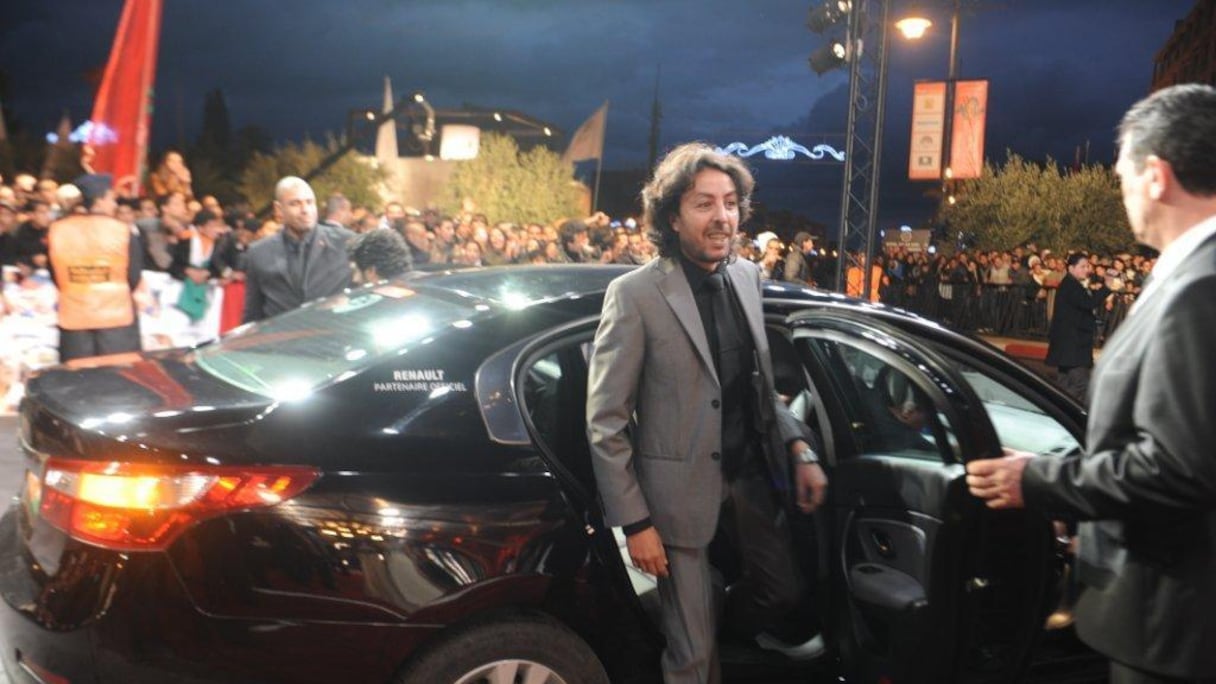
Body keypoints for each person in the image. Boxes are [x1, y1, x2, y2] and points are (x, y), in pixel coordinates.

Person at [966, 84, 1216, 683]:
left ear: (1156, 175)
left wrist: (1042, 481)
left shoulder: (1199, 287)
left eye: (1121, 172)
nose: (1120, 187)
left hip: (1173, 628)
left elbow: (1181, 470)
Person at [586, 142, 828, 684]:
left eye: (730, 202)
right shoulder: (635, 295)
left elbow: (760, 390)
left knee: (782, 592)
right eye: (703, 204)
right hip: (674, 500)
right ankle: (690, 630)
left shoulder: (746, 278)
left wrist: (799, 446)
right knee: (693, 661)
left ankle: (698, 621)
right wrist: (636, 523)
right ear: (672, 217)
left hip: (748, 480)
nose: (722, 216)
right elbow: (606, 421)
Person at [46, 174, 142, 361]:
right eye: (111, 198)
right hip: (116, 320)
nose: (114, 205)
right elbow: (133, 277)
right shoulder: (122, 231)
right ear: (99, 200)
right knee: (115, 380)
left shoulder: (58, 230)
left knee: (77, 381)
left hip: (75, 320)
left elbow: (55, 274)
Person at [242, 176, 355, 322]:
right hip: (282, 340)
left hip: (334, 335)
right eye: (295, 204)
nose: (305, 210)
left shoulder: (345, 242)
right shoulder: (258, 252)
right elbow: (253, 312)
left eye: (309, 202)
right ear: (278, 209)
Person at [1044, 252, 1101, 401]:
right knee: (1081, 386)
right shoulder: (1070, 286)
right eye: (1082, 266)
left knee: (1065, 384)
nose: (1086, 270)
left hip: (1070, 347)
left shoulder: (1072, 284)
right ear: (1071, 268)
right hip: (1073, 347)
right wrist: (1106, 288)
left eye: (1087, 266)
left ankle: (1059, 409)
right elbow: (1089, 303)